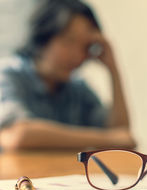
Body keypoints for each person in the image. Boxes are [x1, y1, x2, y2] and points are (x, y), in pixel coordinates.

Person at [0, 0, 136, 150]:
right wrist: (108, 140)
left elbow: (121, 133)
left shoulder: (77, 87)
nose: (77, 56)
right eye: (69, 41)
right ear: (44, 37)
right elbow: (17, 135)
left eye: (85, 46)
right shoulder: (8, 74)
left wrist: (113, 70)